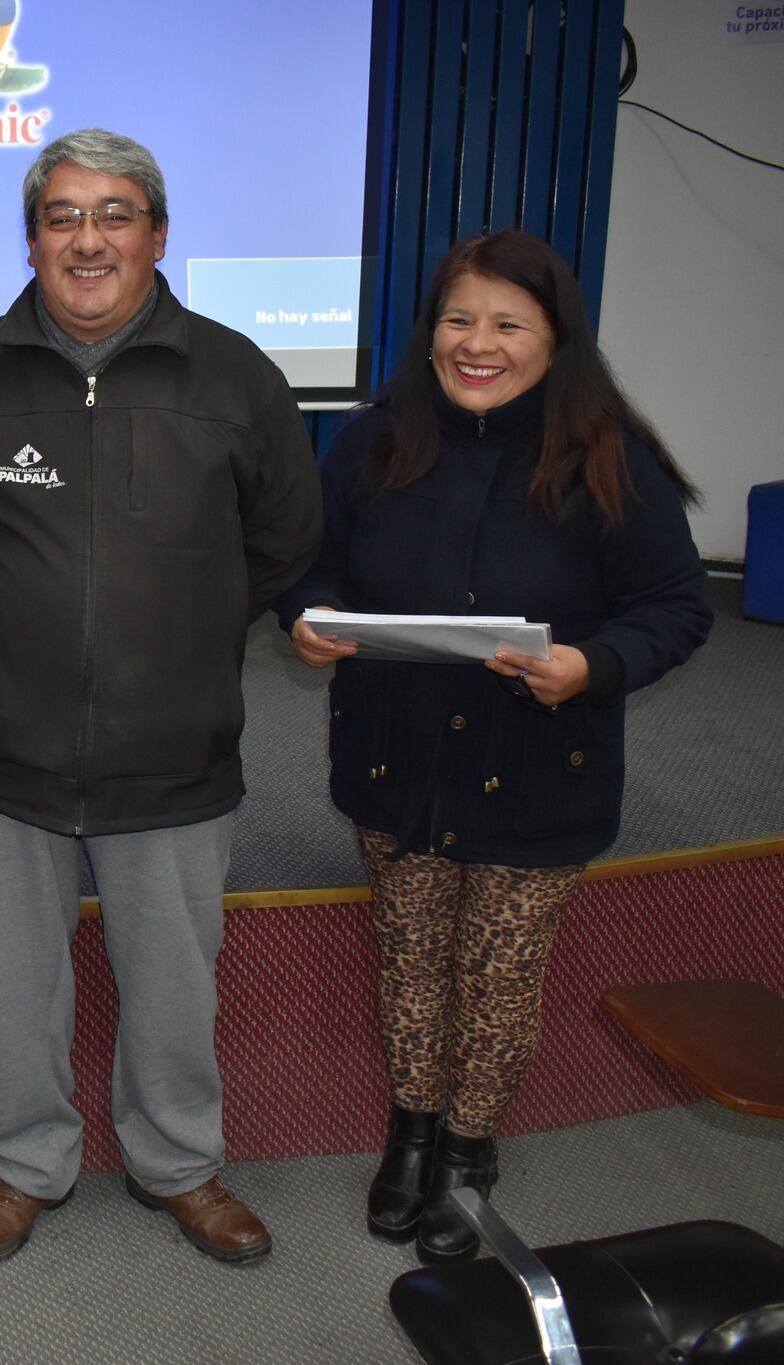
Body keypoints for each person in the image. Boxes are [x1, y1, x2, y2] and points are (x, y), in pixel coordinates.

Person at [0, 128, 321, 1267]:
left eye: (113, 214)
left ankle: (178, 1165)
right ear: (32, 234)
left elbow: (286, 548)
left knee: (171, 993)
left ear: (155, 232)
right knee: (10, 988)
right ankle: (25, 1166)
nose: (86, 239)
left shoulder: (236, 377)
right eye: (61, 216)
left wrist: (175, 646)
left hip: (175, 763)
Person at [278, 229, 710, 1263]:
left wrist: (591, 667)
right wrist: (304, 618)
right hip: (398, 762)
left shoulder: (611, 458)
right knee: (413, 965)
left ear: (555, 340)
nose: (477, 344)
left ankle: (469, 1152)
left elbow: (674, 608)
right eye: (456, 320)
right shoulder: (373, 440)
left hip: (535, 770)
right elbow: (307, 568)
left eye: (507, 325)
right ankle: (411, 1134)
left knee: (499, 974)